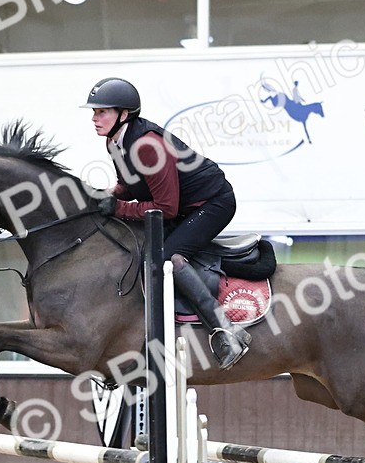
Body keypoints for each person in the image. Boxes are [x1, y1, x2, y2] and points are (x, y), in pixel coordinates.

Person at [81, 77, 250, 370]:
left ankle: (227, 332)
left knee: (165, 258)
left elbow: (166, 208)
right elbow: (130, 184)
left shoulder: (147, 145)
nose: (94, 119)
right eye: (93, 112)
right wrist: (107, 195)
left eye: (101, 112)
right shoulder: (114, 141)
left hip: (213, 203)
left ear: (123, 114)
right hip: (184, 205)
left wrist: (119, 207)